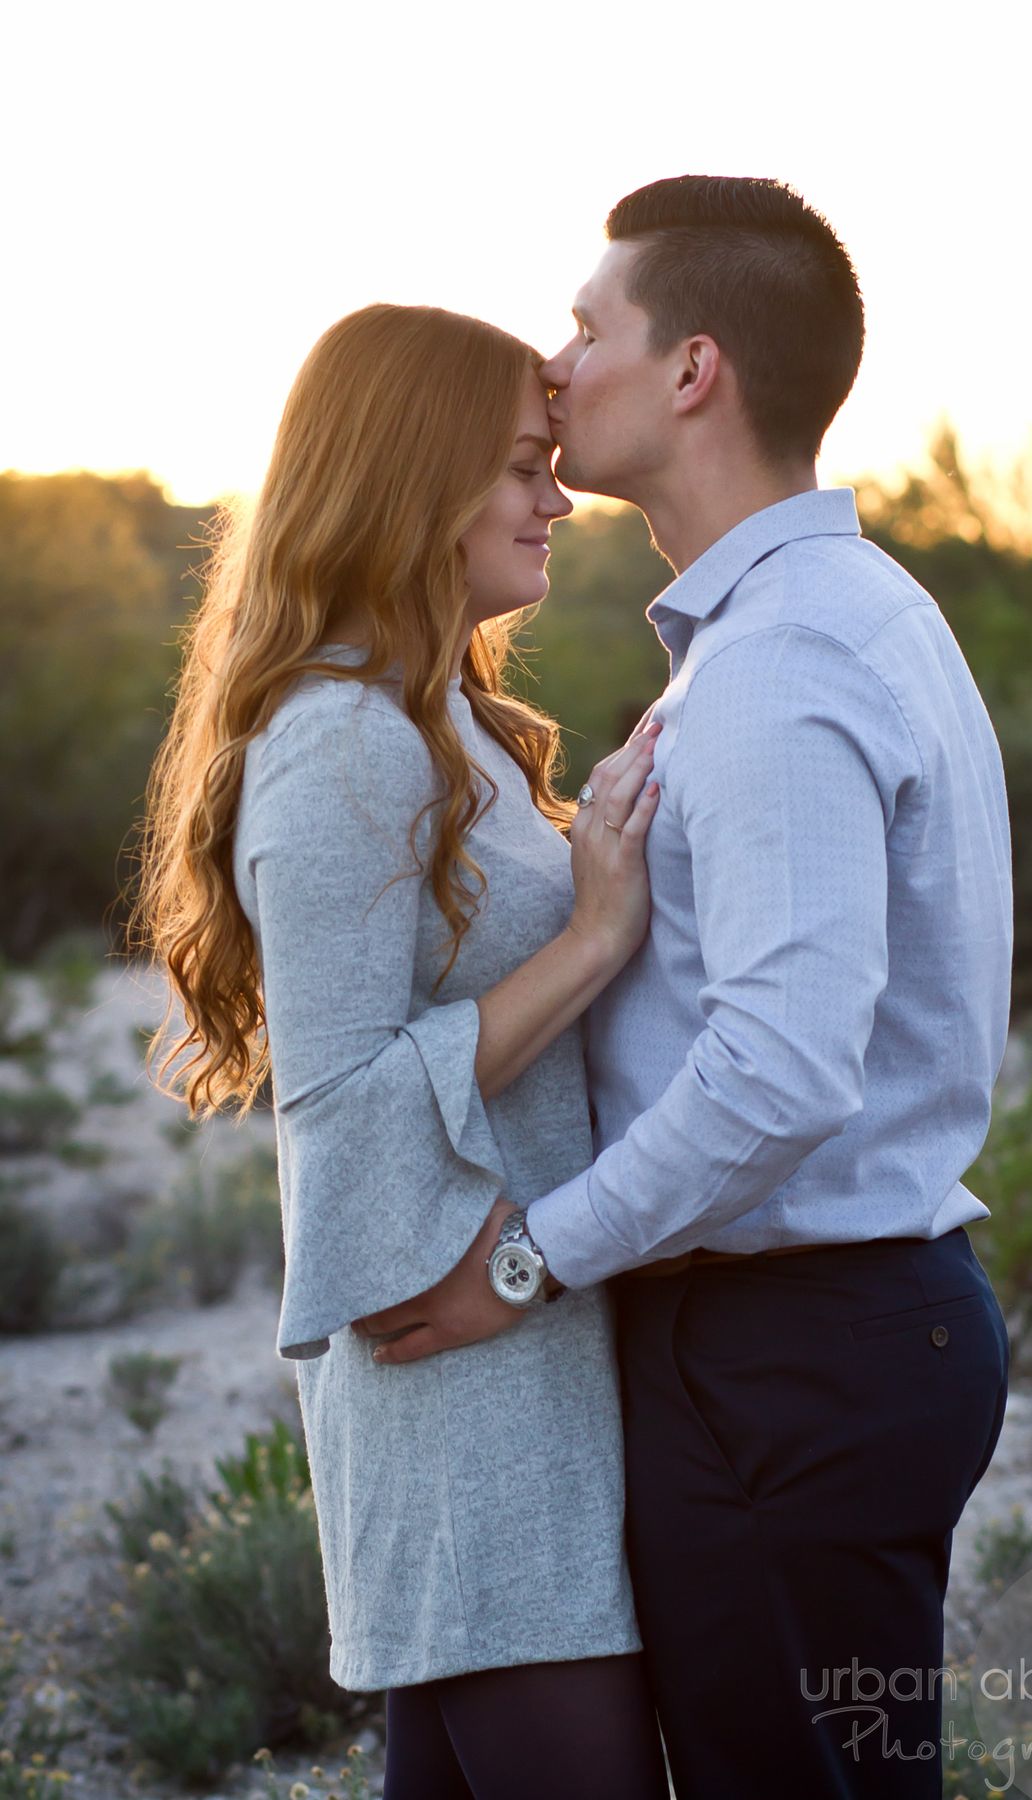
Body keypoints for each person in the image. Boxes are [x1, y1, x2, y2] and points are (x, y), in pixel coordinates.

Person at [360, 177, 1014, 1799]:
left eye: (590, 327)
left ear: (695, 370)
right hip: (803, 1348)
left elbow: (783, 1069)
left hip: (789, 1358)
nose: (556, 358)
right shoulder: (824, 622)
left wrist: (524, 1264)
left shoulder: (784, 661)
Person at [133, 302, 670, 1800]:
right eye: (520, 467)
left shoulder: (449, 723)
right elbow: (343, 1098)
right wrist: (594, 937)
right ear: (407, 480)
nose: (557, 500)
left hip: (520, 1345)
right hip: (451, 1371)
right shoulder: (340, 743)